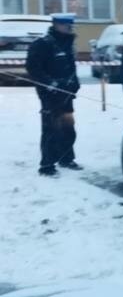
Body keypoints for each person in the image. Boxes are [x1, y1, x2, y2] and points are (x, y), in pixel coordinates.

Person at [25, 13, 82, 176]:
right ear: (56, 24)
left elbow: (71, 67)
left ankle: (66, 158)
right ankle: (47, 165)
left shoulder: (68, 43)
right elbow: (33, 68)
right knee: (51, 128)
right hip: (49, 95)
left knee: (68, 127)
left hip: (67, 93)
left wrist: (75, 83)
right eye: (66, 25)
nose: (70, 28)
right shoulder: (43, 44)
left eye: (71, 26)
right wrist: (49, 84)